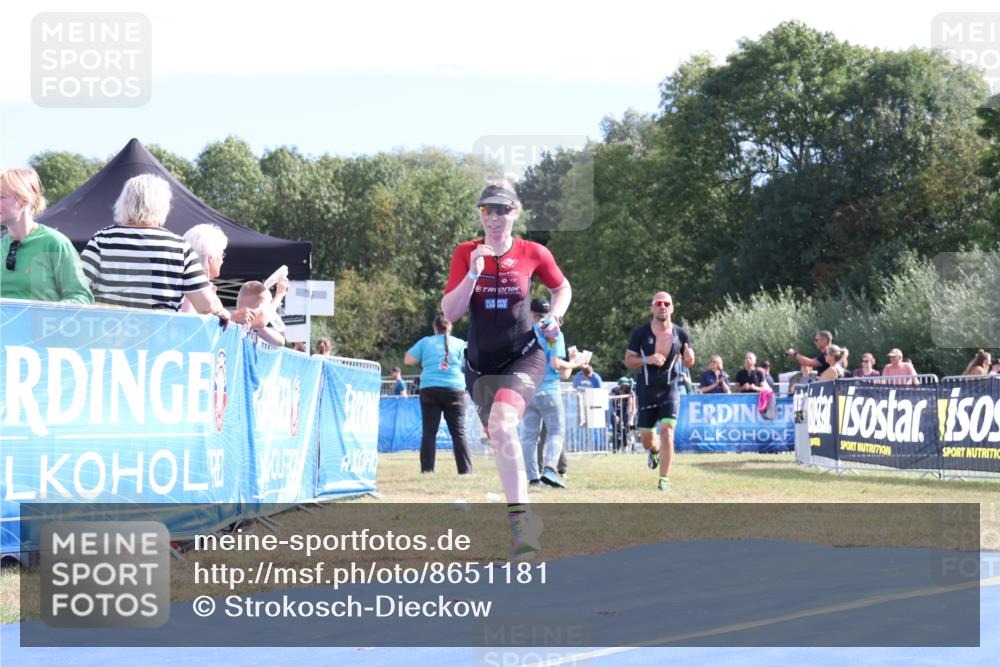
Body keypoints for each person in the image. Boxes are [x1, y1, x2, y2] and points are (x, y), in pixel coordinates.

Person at [441, 180, 569, 558]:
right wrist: (473, 275)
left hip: (524, 355)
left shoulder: (533, 252)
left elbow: (562, 288)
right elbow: (450, 313)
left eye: (502, 209)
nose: (494, 218)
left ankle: (519, 524)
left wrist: (555, 317)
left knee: (501, 424)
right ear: (481, 214)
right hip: (479, 365)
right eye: (487, 210)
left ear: (515, 212)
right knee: (500, 437)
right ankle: (526, 512)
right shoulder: (465, 253)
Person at [81, 174, 230, 321]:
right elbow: (205, 305)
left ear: (124, 203)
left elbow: (79, 289)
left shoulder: (102, 239)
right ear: (162, 205)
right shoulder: (179, 247)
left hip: (107, 338)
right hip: (159, 340)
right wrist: (222, 311)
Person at [624, 291, 695, 492]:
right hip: (646, 390)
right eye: (658, 303)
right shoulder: (640, 333)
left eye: (666, 303)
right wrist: (647, 359)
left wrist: (689, 357)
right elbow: (628, 360)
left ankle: (664, 479)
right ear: (652, 307)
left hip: (670, 390)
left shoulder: (681, 334)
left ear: (672, 308)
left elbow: (689, 361)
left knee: (667, 433)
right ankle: (654, 451)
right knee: (647, 439)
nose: (662, 306)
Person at [521, 297, 588, 489]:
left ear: (530, 312)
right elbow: (556, 365)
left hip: (527, 389)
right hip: (549, 390)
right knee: (556, 433)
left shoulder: (522, 332)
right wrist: (575, 363)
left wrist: (571, 364)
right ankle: (550, 470)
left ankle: (533, 479)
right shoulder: (554, 332)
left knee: (529, 437)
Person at [0, 167, 92, 304]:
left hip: (42, 325)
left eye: (1, 197)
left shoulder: (55, 243)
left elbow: (81, 297)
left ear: (24, 200)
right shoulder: (2, 245)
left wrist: (47, 313)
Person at [404, 315, 471, 475]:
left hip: (429, 389)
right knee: (458, 432)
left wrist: (424, 359)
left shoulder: (426, 342)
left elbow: (408, 360)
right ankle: (465, 471)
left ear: (435, 328)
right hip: (455, 389)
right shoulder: (460, 344)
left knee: (429, 432)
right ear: (450, 328)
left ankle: (427, 470)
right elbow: (469, 362)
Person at [236, 281, 286, 346]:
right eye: (268, 307)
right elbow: (263, 317)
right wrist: (279, 294)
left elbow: (280, 342)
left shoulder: (253, 327)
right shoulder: (233, 323)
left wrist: (259, 327)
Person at [610, 377, 638, 453]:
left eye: (626, 386)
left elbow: (633, 408)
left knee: (628, 432)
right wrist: (615, 415)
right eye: (622, 386)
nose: (623, 388)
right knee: (616, 431)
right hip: (617, 412)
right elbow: (612, 405)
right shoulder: (614, 391)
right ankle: (615, 450)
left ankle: (630, 450)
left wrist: (630, 419)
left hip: (628, 413)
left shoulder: (631, 392)